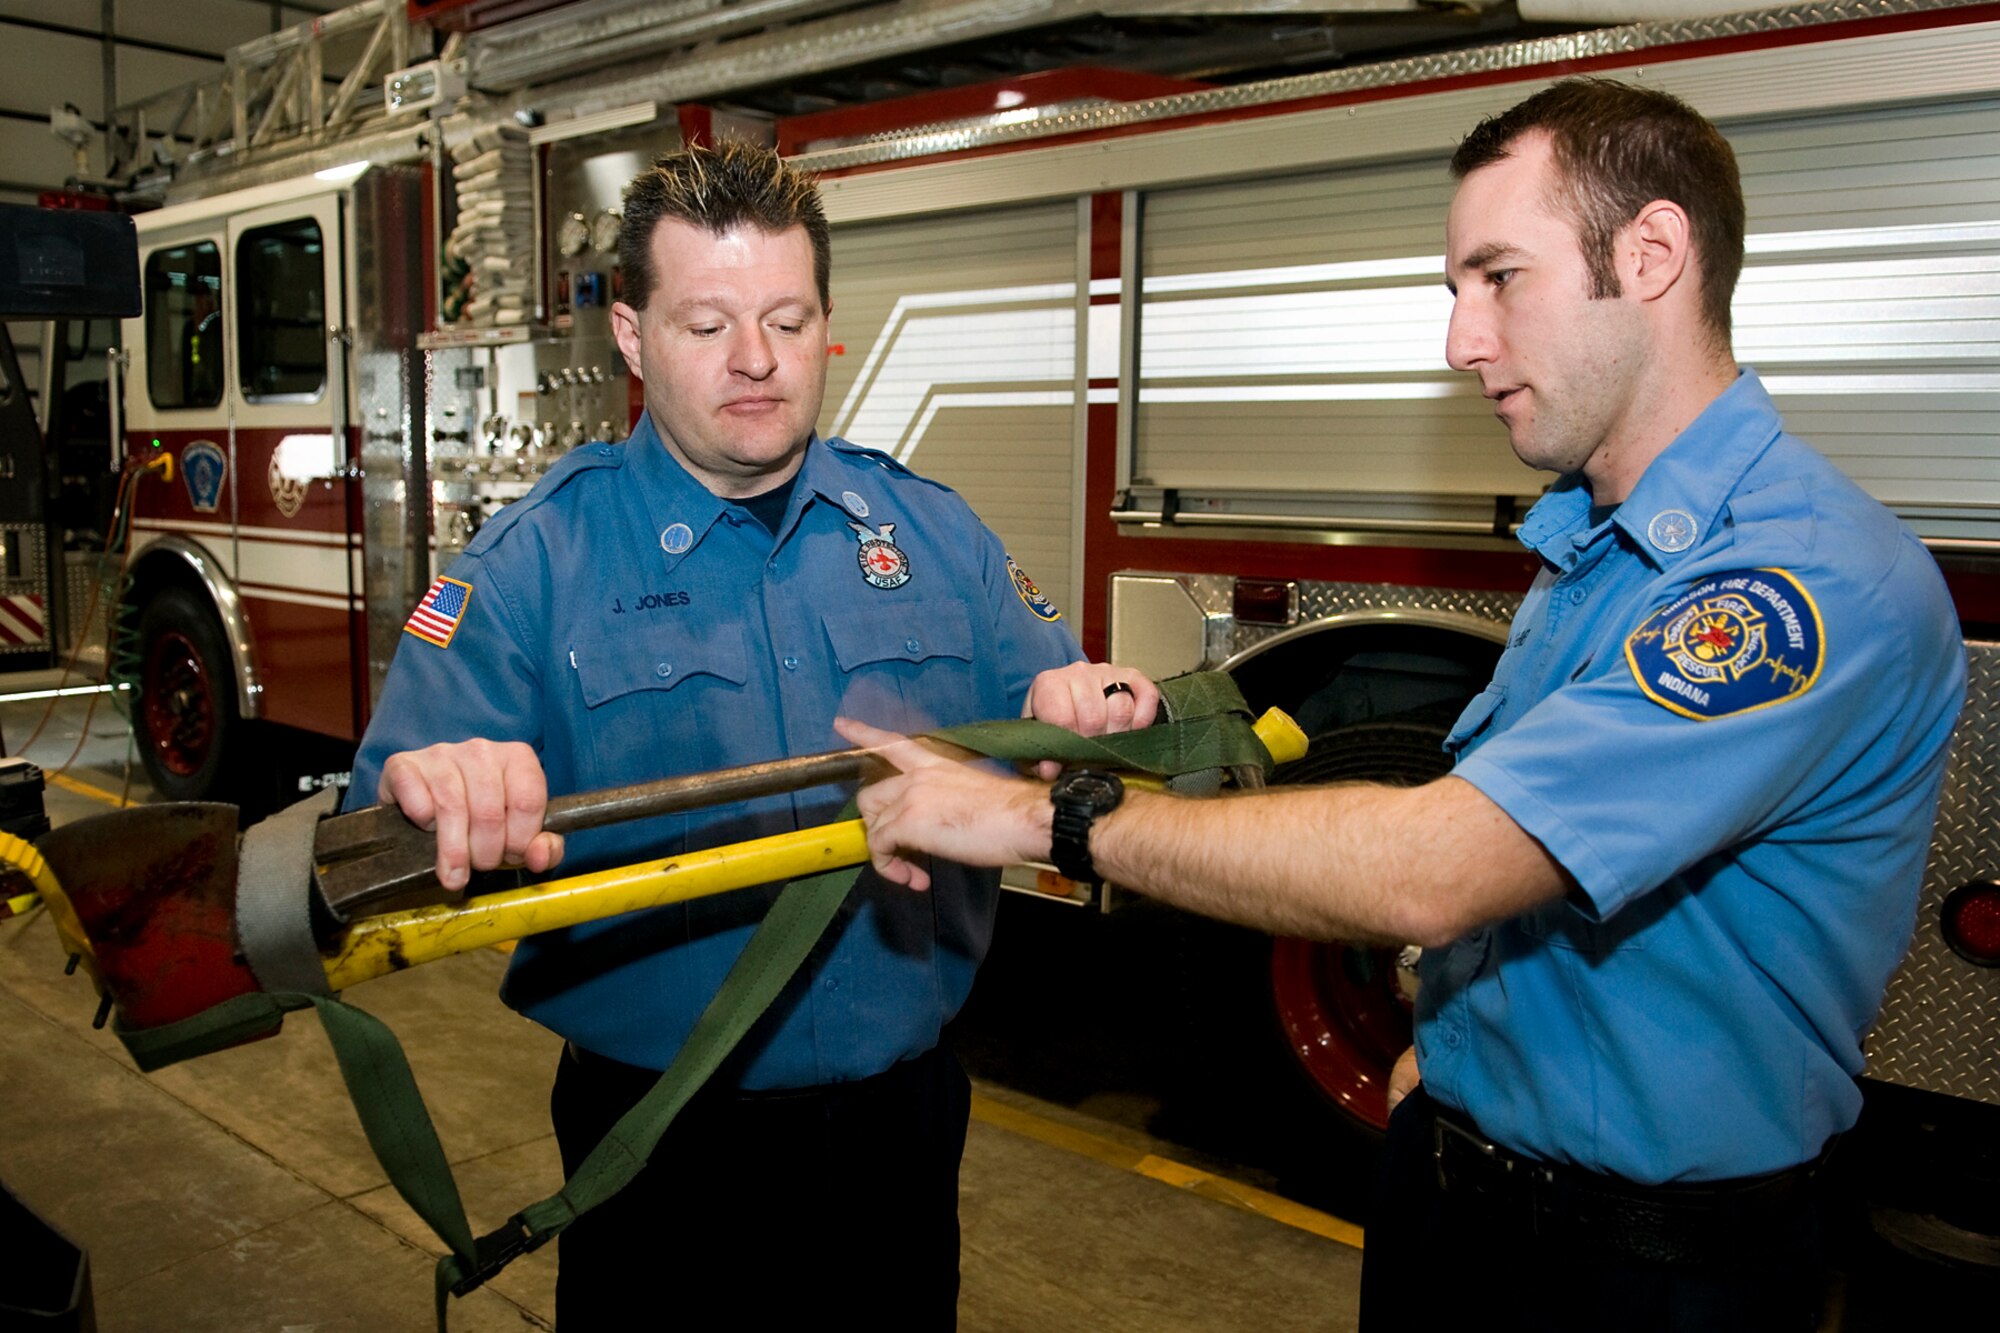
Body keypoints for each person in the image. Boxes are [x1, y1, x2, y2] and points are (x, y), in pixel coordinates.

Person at [840, 78, 1966, 1332]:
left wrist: (1044, 821)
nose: (1458, 341)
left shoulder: (1789, 583)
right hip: (1461, 1197)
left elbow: (1437, 866)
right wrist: (1457, 1070)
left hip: (1642, 1272)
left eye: (1498, 278)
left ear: (1648, 255)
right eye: (1454, 290)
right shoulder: (1591, 551)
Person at [345, 140, 1118, 1328]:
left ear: (824, 327)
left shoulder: (933, 533)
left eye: (786, 319)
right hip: (657, 1149)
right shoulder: (531, 567)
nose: (755, 361)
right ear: (630, 336)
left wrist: (1092, 718)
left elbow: (1065, 730)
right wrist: (431, 784)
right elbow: (360, 855)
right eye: (706, 324)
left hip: (899, 1132)